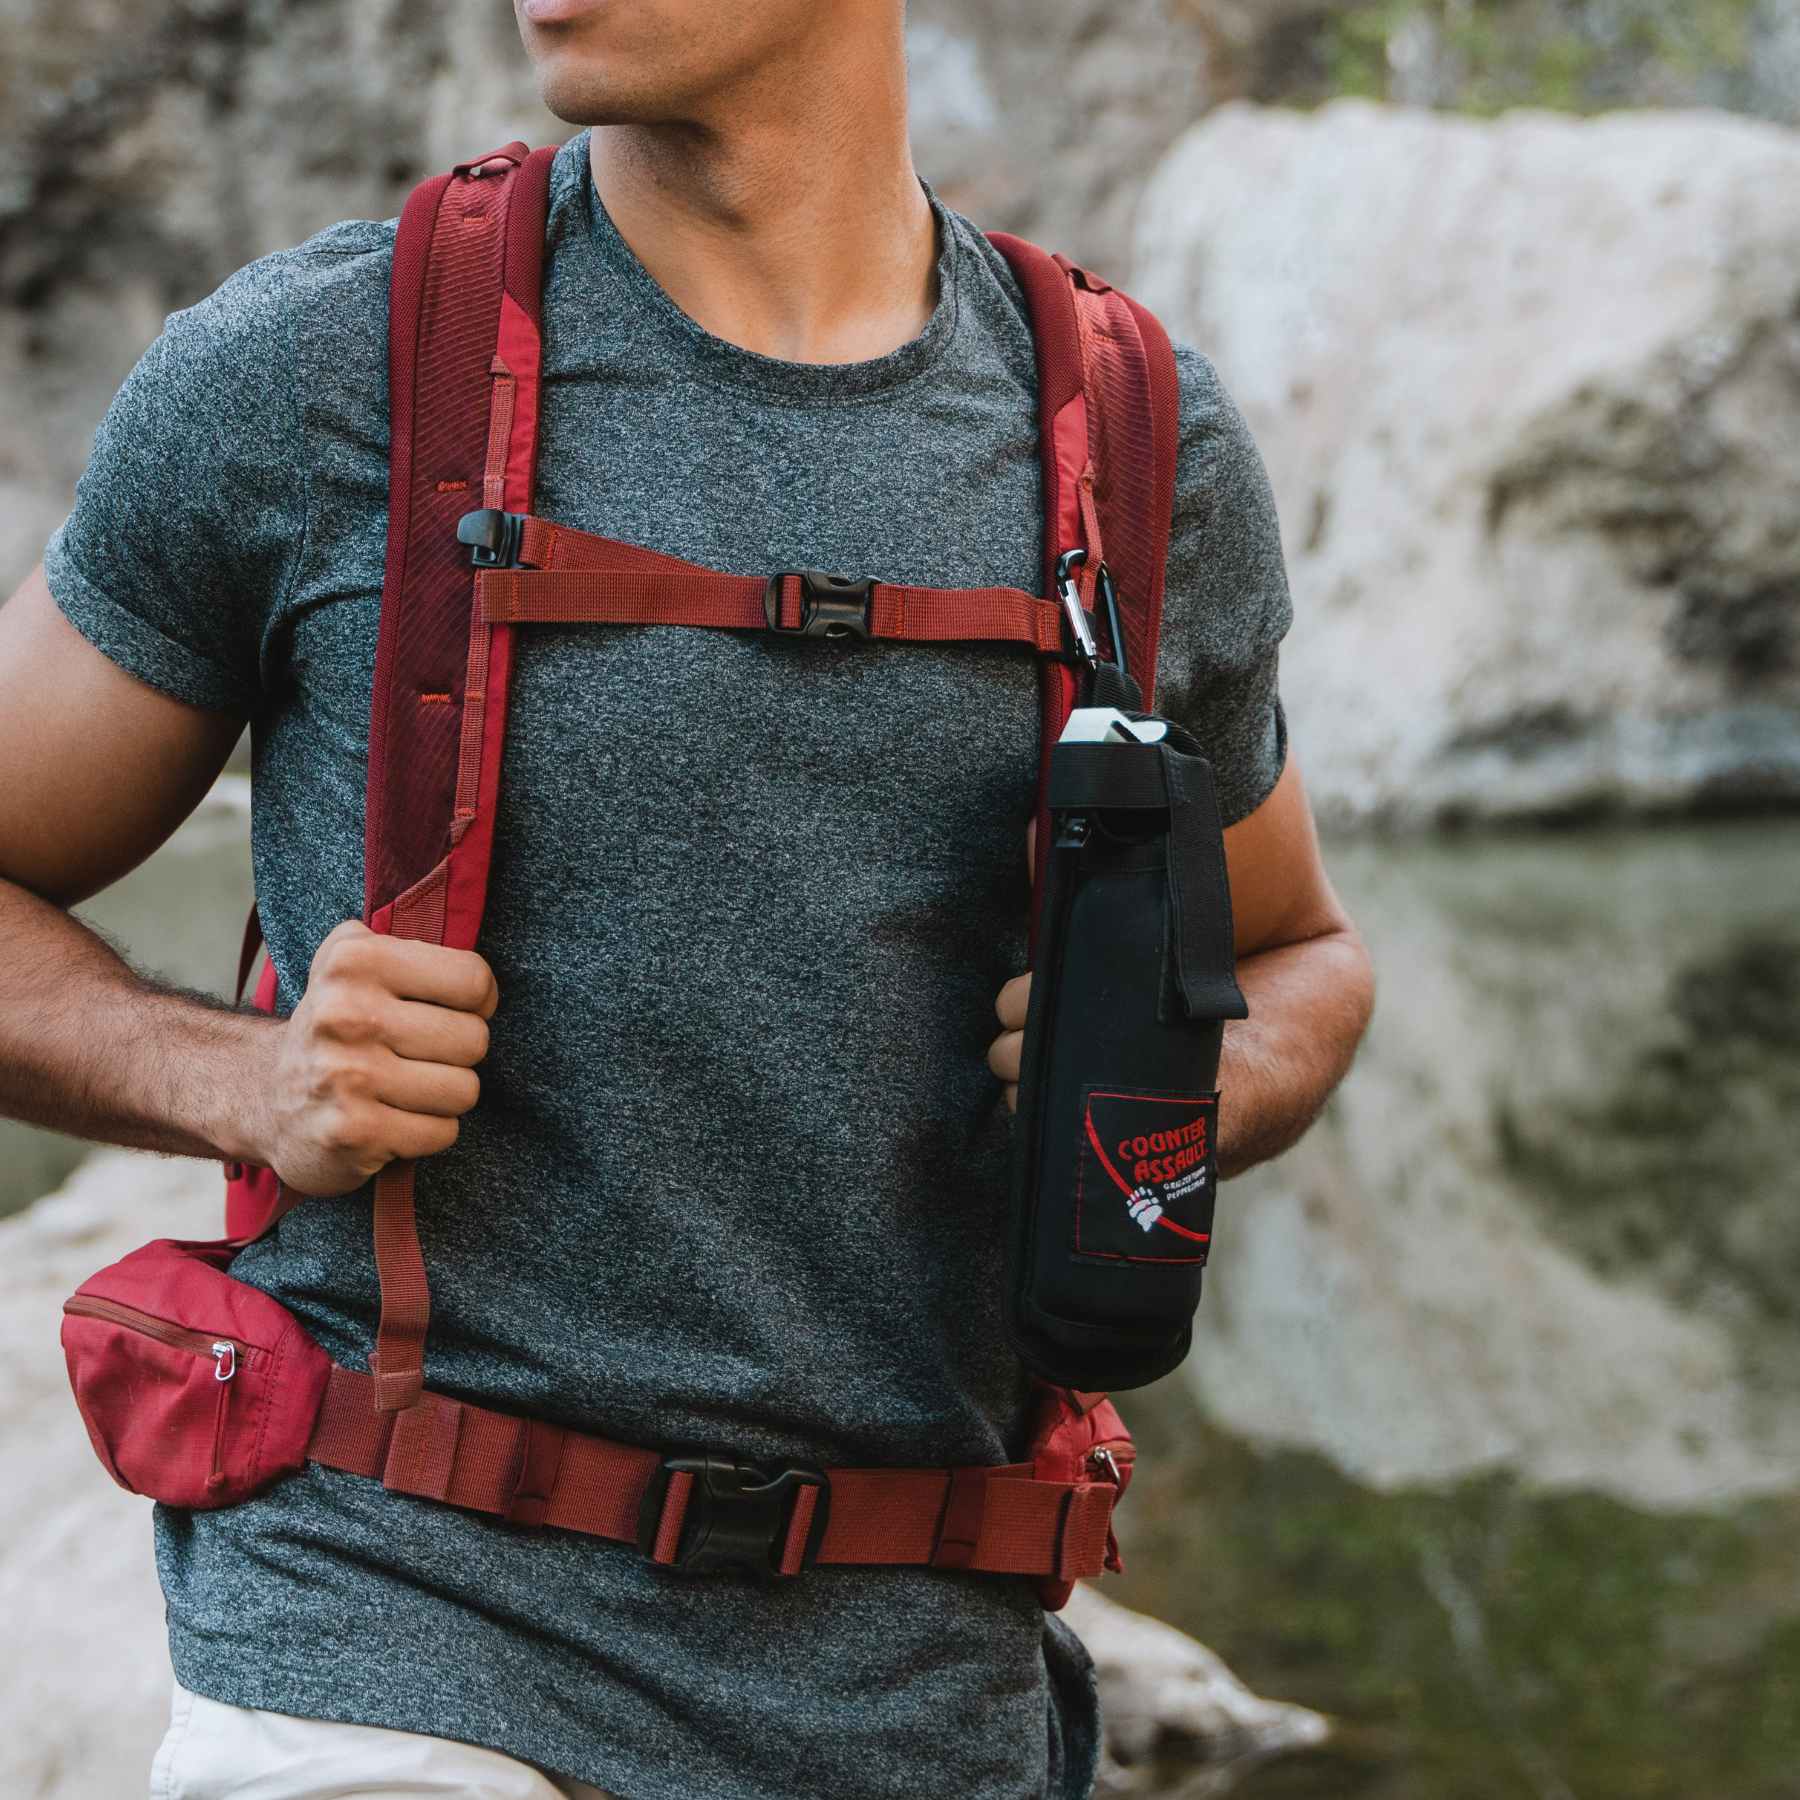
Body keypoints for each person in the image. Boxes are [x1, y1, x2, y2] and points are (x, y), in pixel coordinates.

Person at [0, 1, 1375, 1795]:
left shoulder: (1132, 439)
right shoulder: (322, 369)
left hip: (926, 1685)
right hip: (392, 1630)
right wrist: (235, 1078)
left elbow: (1302, 955)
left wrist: (1182, 1087)